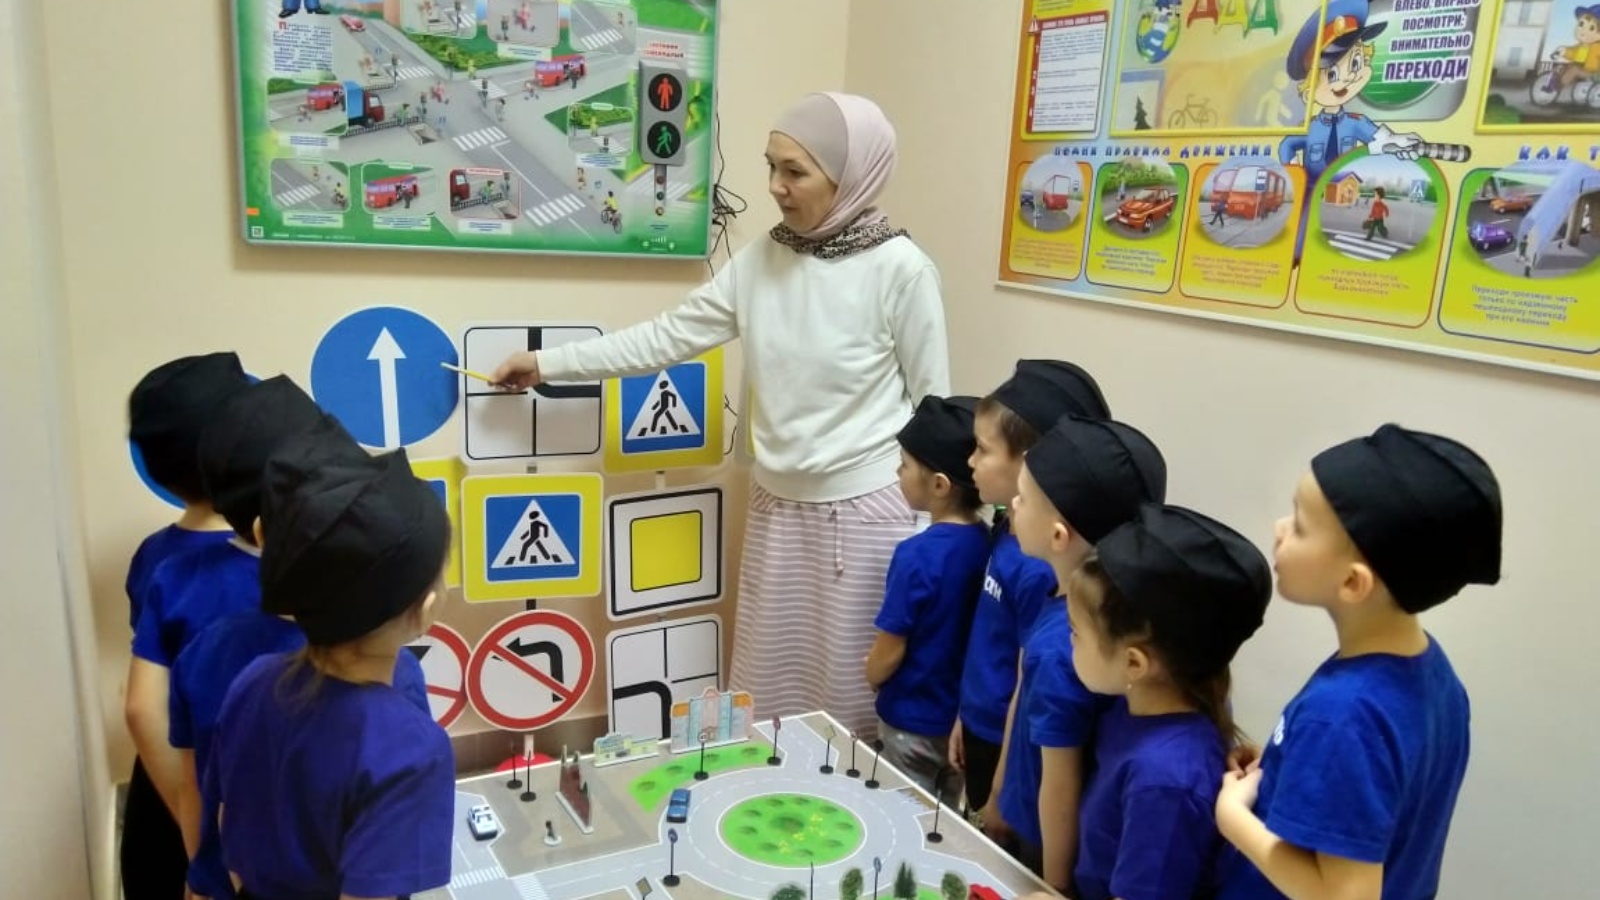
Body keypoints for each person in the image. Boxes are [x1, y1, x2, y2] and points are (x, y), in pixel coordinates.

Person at [489, 92, 950, 737]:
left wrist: (937, 536)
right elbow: (665, 337)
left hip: (866, 519)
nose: (775, 187)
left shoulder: (902, 269)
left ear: (850, 176)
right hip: (777, 509)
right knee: (768, 699)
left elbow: (935, 416)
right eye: (772, 166)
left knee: (851, 704)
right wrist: (547, 364)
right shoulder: (762, 259)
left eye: (795, 172)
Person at [1215, 424, 1502, 900]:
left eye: (1299, 525)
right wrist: (1286, 768)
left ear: (1353, 583)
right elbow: (1377, 795)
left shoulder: (1343, 716)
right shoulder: (1433, 674)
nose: (1279, 529)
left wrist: (1234, 819)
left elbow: (1345, 895)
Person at [170, 418, 431, 900]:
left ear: (262, 535)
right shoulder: (405, 729)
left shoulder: (250, 677)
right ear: (424, 607)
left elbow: (219, 811)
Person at [131, 375, 327, 857]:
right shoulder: (292, 573)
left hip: (177, 778)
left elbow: (141, 707)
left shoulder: (157, 560)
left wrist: (191, 819)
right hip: (267, 799)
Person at [1058, 505, 1269, 900]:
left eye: (1075, 632)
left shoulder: (1165, 780)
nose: (1067, 641)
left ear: (1134, 663)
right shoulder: (1137, 710)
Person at [991, 415, 1167, 889]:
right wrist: (998, 794)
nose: (1011, 504)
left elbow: (1060, 788)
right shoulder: (1061, 598)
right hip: (1031, 820)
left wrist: (1054, 887)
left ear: (1058, 535)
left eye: (1022, 498)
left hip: (1047, 849)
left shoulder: (1061, 649)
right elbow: (1022, 698)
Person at [951, 360, 1108, 818]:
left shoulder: (1040, 563)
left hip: (1009, 744)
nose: (970, 461)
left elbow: (1026, 677)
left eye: (982, 449)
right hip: (979, 725)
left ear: (1031, 462)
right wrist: (965, 715)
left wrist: (1001, 791)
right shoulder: (1009, 529)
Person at [122, 352, 251, 900]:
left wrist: (178, 804)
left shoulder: (153, 555)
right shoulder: (272, 562)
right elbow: (139, 705)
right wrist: (197, 827)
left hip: (163, 779)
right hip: (235, 790)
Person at [864, 395, 989, 803]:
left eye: (904, 465)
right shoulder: (989, 543)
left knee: (898, 814)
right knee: (943, 817)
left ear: (939, 485)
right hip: (957, 725)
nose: (897, 472)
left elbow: (890, 648)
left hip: (909, 721)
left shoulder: (916, 555)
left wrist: (872, 673)